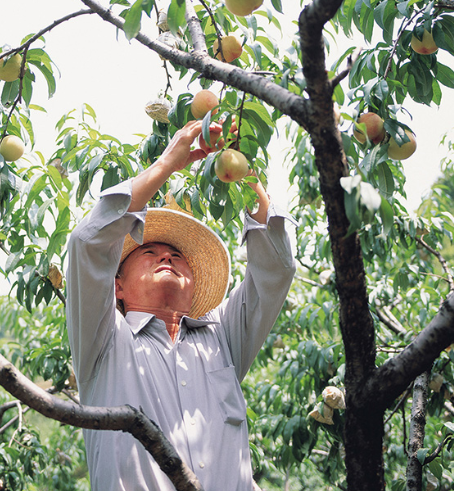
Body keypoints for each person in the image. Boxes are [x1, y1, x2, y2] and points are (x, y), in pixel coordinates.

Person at [65, 119, 296, 490]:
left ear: (193, 283)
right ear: (117, 287)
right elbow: (87, 244)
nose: (167, 258)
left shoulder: (222, 339)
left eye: (176, 254)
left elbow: (276, 269)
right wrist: (167, 164)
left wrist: (242, 166)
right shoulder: (105, 341)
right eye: (150, 252)